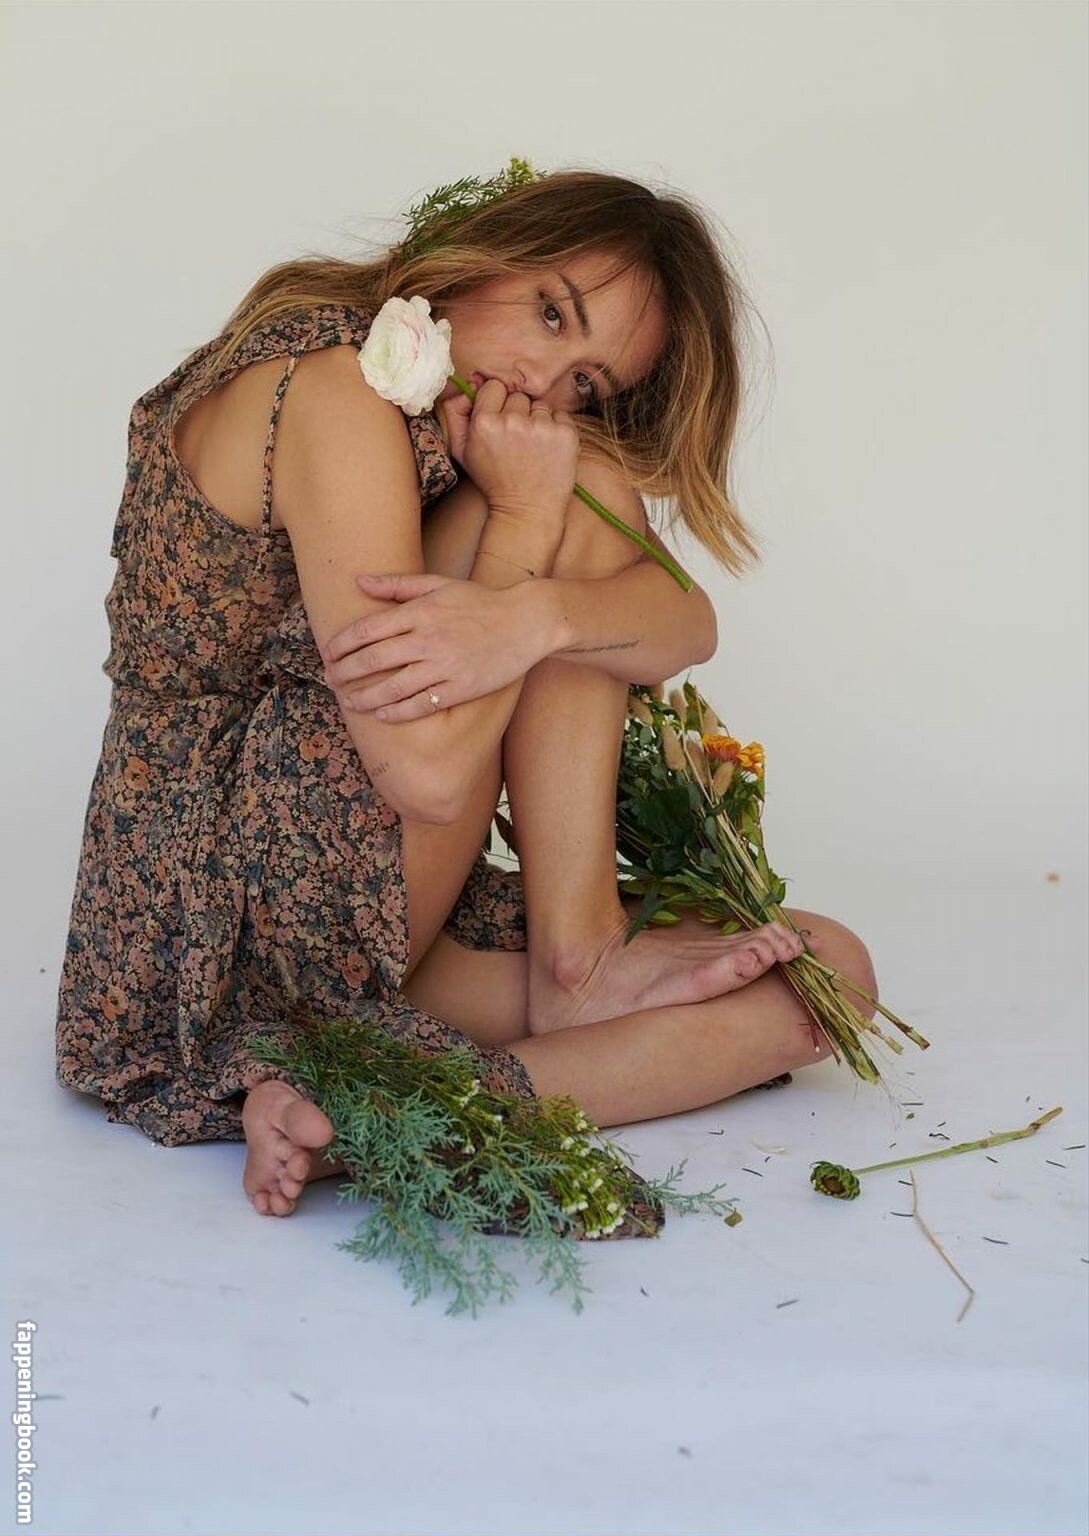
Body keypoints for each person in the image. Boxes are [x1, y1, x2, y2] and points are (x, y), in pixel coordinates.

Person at [56, 167, 878, 1232]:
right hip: (213, 910)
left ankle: (378, 1115)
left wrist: (534, 618)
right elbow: (432, 778)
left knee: (827, 977)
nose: (540, 383)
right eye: (550, 313)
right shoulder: (334, 389)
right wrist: (527, 530)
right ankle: (569, 971)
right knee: (579, 489)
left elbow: (687, 623)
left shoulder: (449, 420)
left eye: (585, 382)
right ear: (485, 250)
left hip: (355, 901)